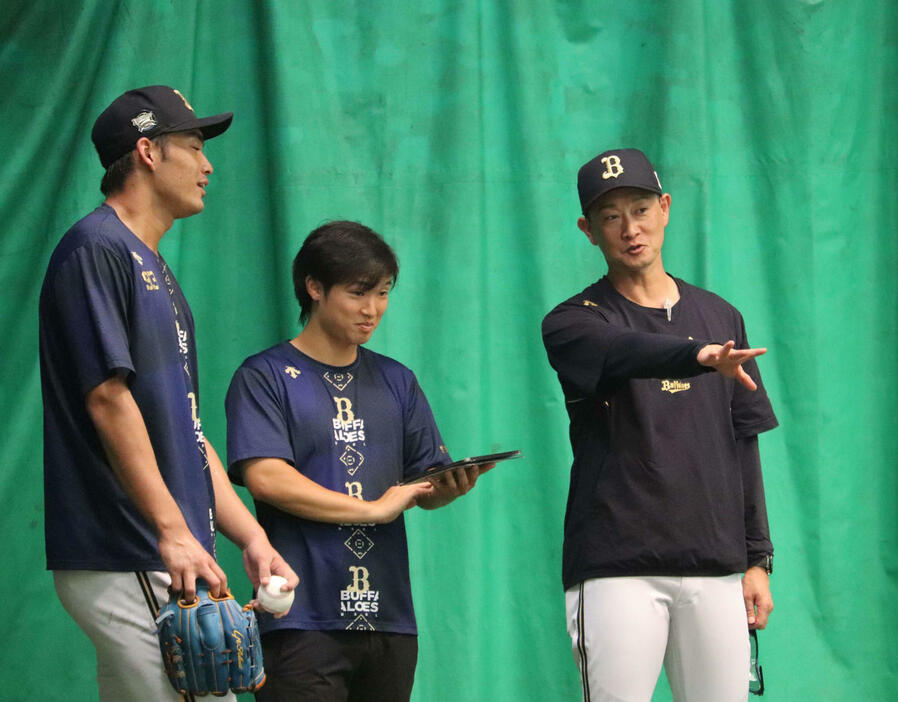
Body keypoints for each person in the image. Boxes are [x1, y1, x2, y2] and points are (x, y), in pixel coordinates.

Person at [39, 85, 299, 701]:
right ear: (149, 152)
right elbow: (107, 400)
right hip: (127, 545)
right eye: (194, 145)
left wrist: (251, 537)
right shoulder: (96, 249)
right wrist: (172, 529)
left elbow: (187, 430)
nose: (208, 165)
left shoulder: (153, 266)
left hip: (161, 550)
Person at [541, 148, 777, 702]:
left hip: (716, 567)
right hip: (616, 568)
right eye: (610, 216)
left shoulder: (721, 316)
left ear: (665, 208)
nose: (631, 228)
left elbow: (744, 442)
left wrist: (757, 558)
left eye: (642, 209)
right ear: (589, 230)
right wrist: (697, 358)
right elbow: (623, 352)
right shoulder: (573, 321)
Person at [225, 220, 490, 702]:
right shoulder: (264, 376)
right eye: (358, 293)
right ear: (314, 288)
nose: (373, 310)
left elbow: (421, 484)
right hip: (300, 618)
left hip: (390, 622)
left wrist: (446, 488)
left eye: (384, 293)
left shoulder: (397, 381)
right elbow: (265, 477)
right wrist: (373, 509)